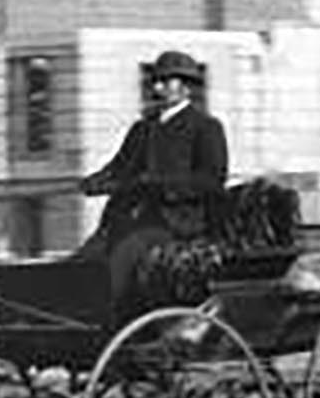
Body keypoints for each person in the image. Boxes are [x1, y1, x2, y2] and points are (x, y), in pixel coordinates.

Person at [73, 50, 229, 319]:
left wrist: (160, 185)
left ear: (187, 86)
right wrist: (92, 183)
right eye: (156, 81)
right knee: (84, 260)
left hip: (178, 223)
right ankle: (72, 319)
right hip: (129, 218)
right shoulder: (143, 129)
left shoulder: (205, 127)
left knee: (122, 258)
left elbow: (212, 180)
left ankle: (107, 322)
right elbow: (118, 168)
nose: (158, 88)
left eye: (167, 81)